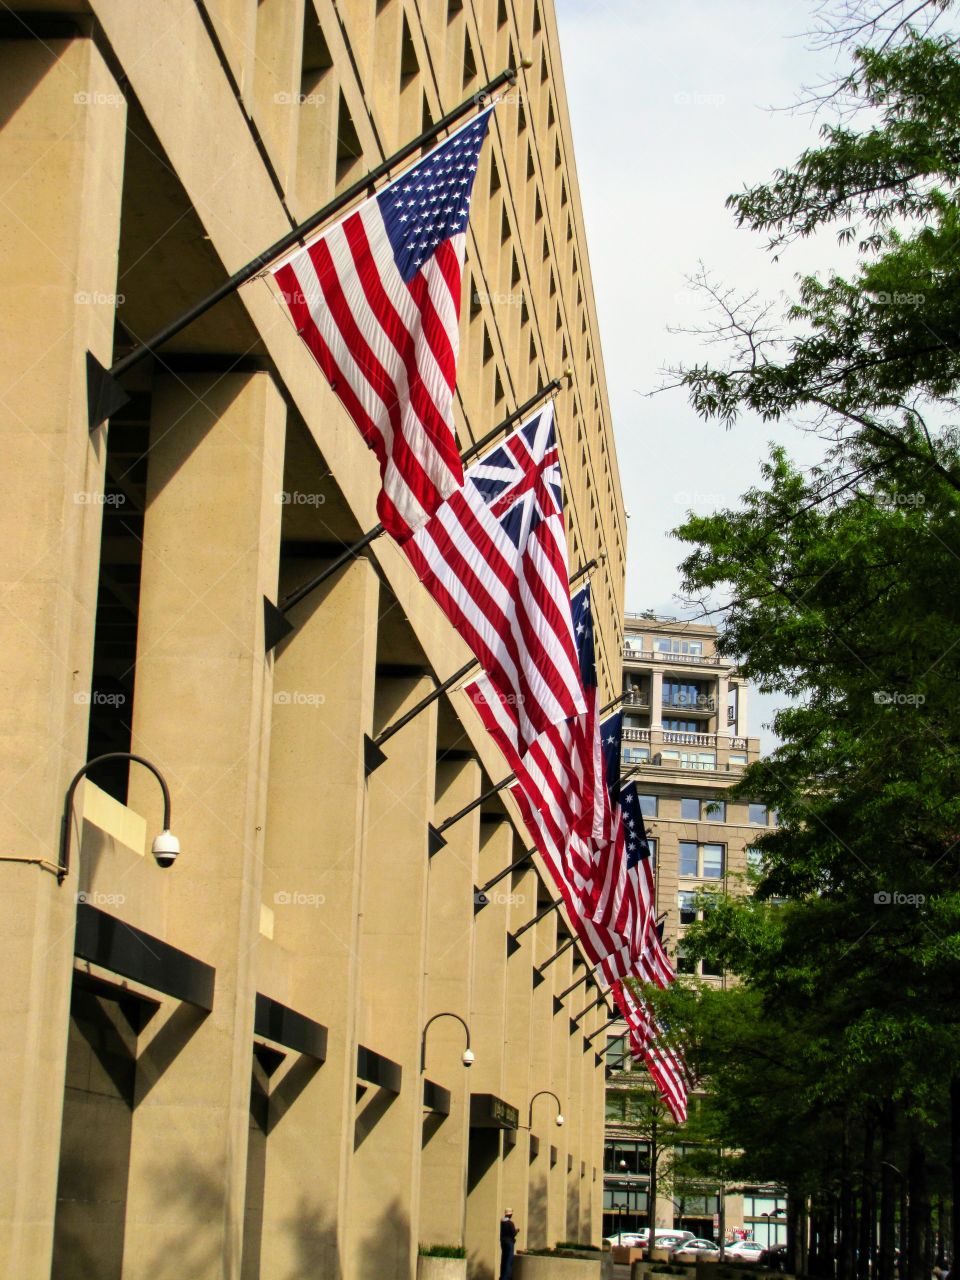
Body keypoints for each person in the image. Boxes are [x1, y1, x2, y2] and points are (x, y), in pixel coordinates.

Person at [499, 1208, 519, 1280]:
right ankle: (506, 1278)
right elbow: (513, 1233)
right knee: (509, 1261)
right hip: (509, 1242)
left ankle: (502, 1277)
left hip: (503, 1242)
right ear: (510, 1214)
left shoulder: (502, 1222)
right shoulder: (510, 1223)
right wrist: (517, 1230)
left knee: (504, 1259)